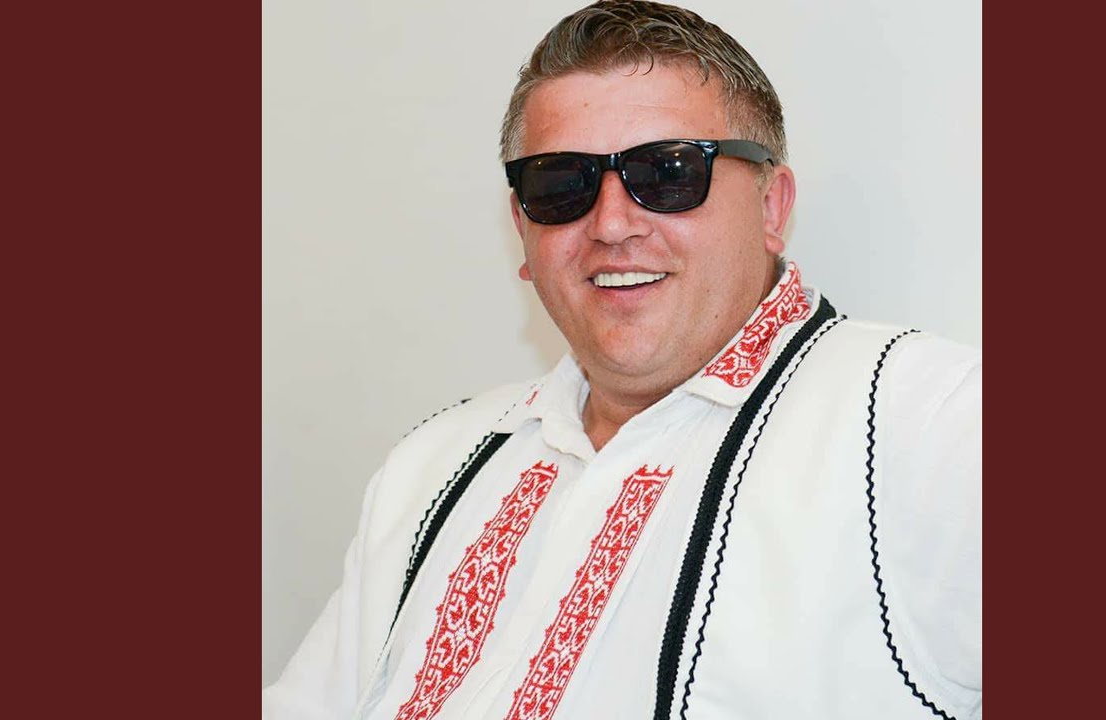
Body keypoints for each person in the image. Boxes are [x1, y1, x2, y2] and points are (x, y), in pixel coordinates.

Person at [263, 1, 981, 718]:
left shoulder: (929, 426)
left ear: (772, 206)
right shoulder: (431, 467)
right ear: (522, 229)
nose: (611, 224)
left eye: (668, 173)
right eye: (560, 185)